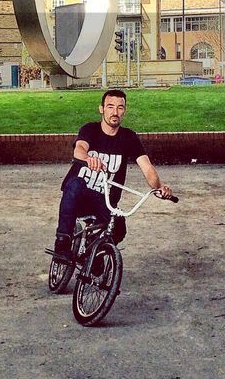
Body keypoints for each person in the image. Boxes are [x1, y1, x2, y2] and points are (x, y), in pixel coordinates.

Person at [53, 89, 172, 260]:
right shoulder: (90, 129)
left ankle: (95, 251)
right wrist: (88, 159)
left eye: (120, 108)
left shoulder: (128, 137)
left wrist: (159, 188)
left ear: (125, 110)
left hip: (105, 200)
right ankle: (62, 243)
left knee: (119, 228)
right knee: (75, 184)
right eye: (110, 107)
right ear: (101, 109)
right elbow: (79, 150)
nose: (115, 112)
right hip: (79, 196)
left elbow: (146, 167)